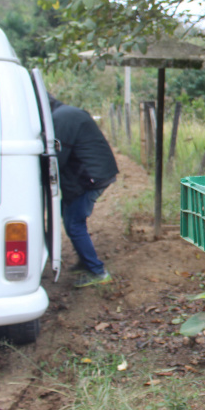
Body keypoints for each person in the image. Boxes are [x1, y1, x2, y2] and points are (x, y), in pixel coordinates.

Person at [49, 96, 119, 288]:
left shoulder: (60, 119)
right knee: (70, 217)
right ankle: (85, 261)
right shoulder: (65, 113)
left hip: (90, 177)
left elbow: (57, 158)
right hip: (92, 174)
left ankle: (97, 271)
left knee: (74, 224)